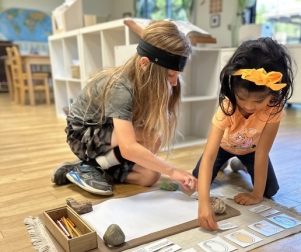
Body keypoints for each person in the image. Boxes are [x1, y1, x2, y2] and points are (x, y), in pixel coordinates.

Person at [51, 20, 197, 195]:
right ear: (145, 64)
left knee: (150, 176)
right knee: (149, 137)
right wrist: (172, 171)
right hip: (83, 134)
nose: (174, 83)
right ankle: (90, 166)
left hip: (109, 134)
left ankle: (96, 166)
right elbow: (128, 147)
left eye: (177, 76)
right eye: (170, 75)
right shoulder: (120, 86)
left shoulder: (147, 77)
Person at [192, 37, 294, 231]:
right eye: (242, 98)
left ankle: (239, 163)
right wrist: (203, 203)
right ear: (232, 89)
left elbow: (263, 152)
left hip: (251, 150)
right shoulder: (227, 106)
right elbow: (209, 155)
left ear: (273, 94)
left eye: (258, 101)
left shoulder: (274, 107)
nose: (248, 106)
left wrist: (256, 195)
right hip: (223, 147)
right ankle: (228, 162)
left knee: (269, 191)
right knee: (199, 181)